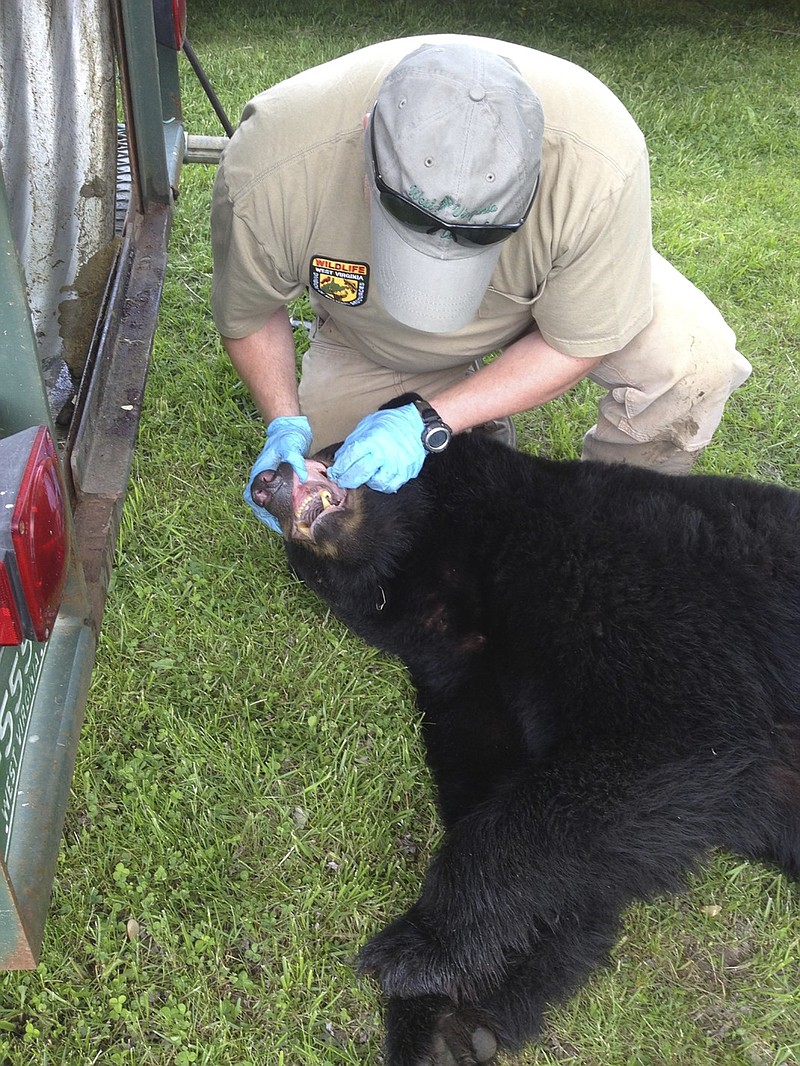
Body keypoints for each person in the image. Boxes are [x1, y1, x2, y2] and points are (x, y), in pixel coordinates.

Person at [210, 34, 751, 530]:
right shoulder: (271, 170)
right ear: (367, 130)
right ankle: (473, 433)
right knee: (351, 480)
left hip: (549, 294)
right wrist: (285, 425)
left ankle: (612, 523)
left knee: (691, 366)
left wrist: (433, 420)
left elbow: (578, 341)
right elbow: (250, 312)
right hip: (374, 336)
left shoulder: (599, 161)